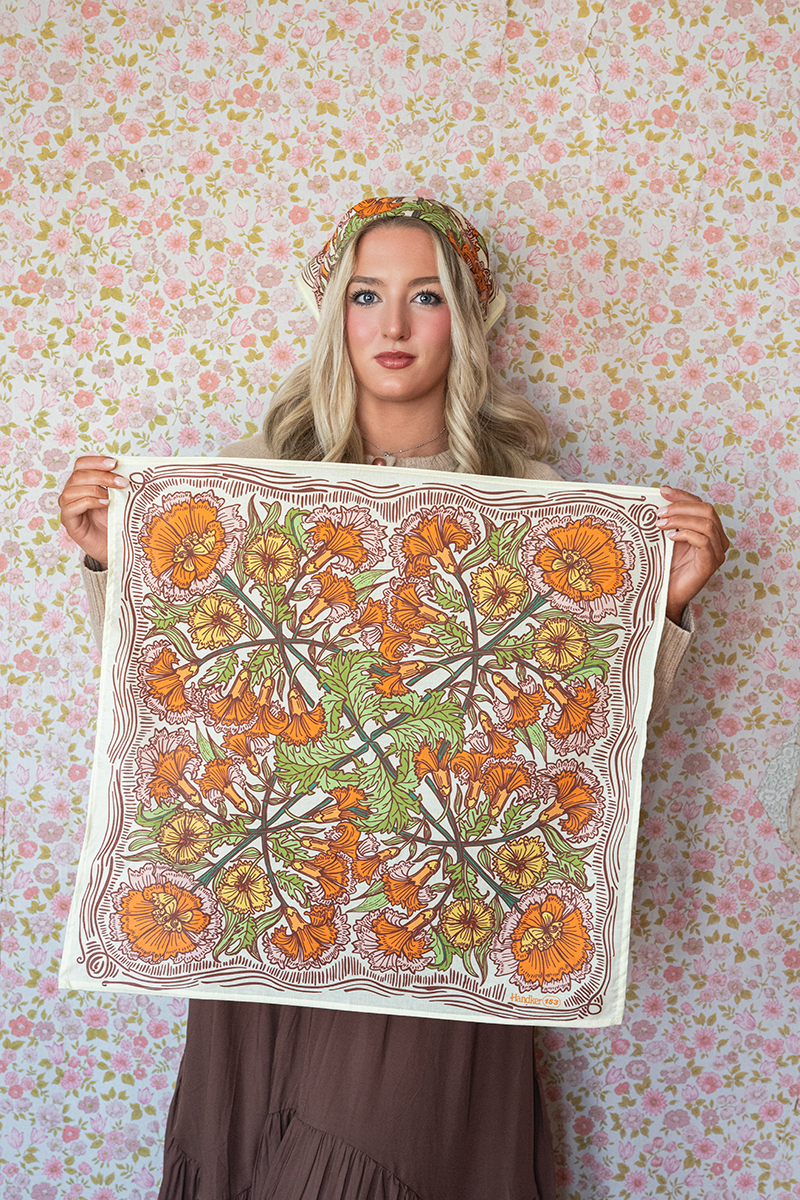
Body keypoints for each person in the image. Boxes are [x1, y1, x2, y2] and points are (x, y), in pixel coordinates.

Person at [58, 196, 729, 1200]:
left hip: (442, 920)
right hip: (271, 909)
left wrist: (659, 609)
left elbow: (566, 755)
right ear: (334, 314)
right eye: (366, 294)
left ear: (468, 318)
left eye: (427, 297)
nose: (393, 325)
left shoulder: (544, 506)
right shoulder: (253, 495)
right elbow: (188, 716)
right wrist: (118, 566)